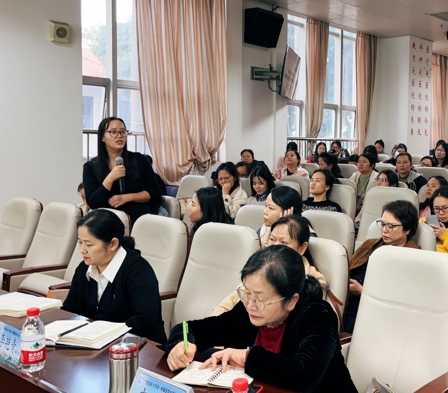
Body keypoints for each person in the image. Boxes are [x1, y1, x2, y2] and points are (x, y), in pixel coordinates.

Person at [163, 245, 357, 392]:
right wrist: (180, 343)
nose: (250, 305)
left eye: (261, 299)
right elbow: (191, 328)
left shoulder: (317, 315)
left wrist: (247, 357)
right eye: (247, 293)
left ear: (291, 300)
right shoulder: (247, 311)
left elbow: (304, 375)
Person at [62, 209, 166, 343]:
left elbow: (145, 319)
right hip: (95, 343)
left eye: (89, 244)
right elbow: (70, 308)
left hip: (138, 345)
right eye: (80, 242)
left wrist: (102, 332)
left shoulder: (138, 270)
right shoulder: (84, 267)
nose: (82, 250)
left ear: (113, 244)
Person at [213, 216, 327, 316]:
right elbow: (227, 305)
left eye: (284, 242)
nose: (275, 246)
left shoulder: (313, 281)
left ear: (302, 248)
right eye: (272, 239)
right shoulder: (260, 268)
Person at [344, 200, 420, 333]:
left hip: (378, 315)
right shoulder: (369, 245)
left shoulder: (414, 257)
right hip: (346, 303)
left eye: (391, 226)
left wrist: (362, 290)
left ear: (407, 229)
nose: (384, 230)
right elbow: (347, 269)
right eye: (383, 224)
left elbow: (402, 299)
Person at [82, 118, 162, 223]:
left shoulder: (139, 160)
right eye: (113, 132)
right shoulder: (91, 167)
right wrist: (110, 178)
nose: (119, 135)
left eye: (123, 131)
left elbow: (155, 193)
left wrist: (127, 198)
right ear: (102, 137)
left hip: (139, 218)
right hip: (107, 221)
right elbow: (93, 203)